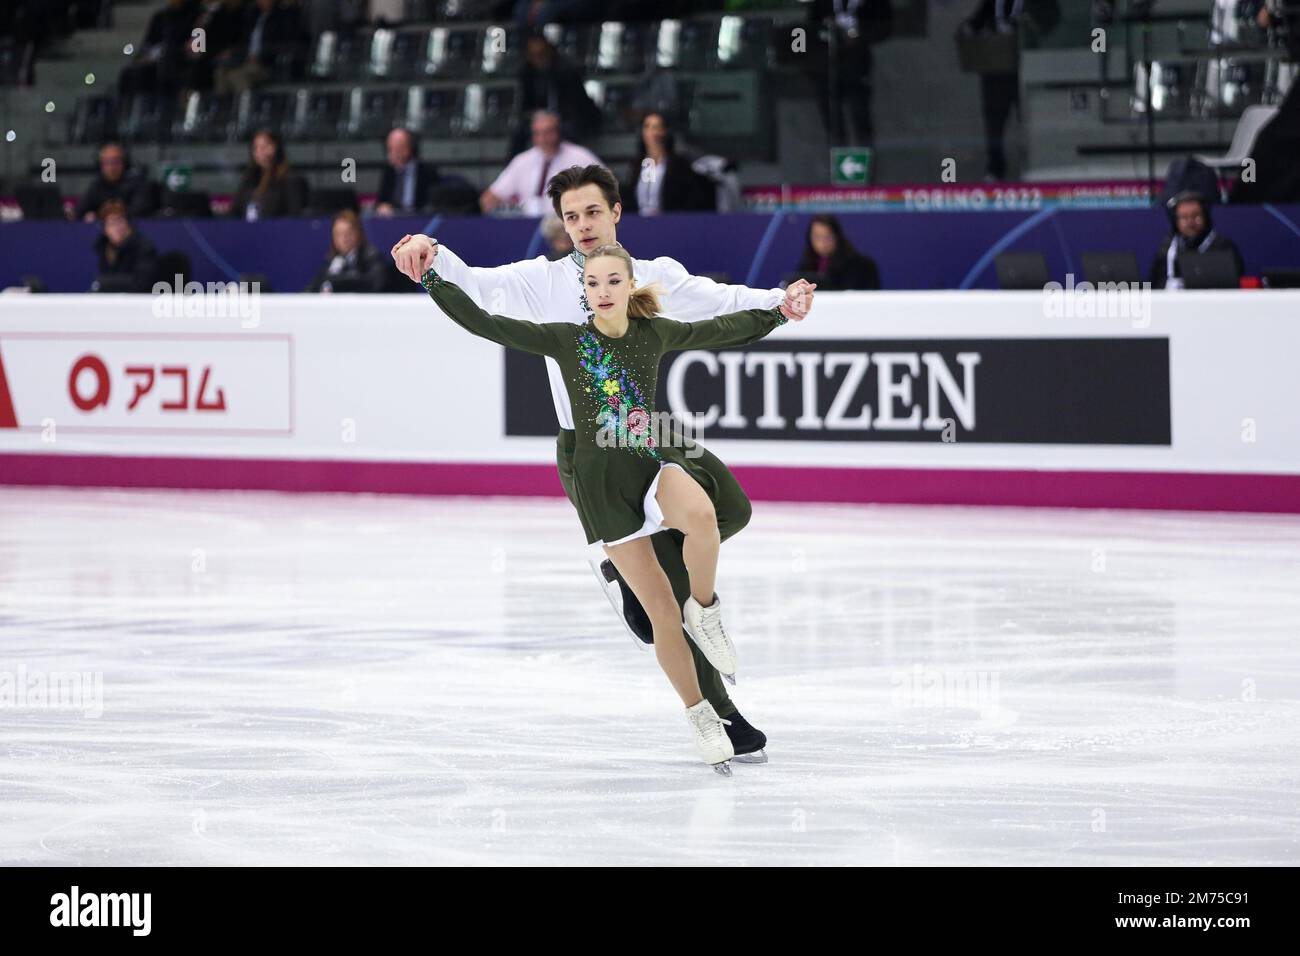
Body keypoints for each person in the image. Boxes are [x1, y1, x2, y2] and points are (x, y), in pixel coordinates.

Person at [391, 164, 817, 764]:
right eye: (571, 217)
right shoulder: (542, 283)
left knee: (731, 510)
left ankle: (652, 578)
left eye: (593, 212)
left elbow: (720, 307)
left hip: (652, 433)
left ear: (617, 211)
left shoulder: (656, 277)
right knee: (663, 597)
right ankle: (720, 711)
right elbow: (479, 291)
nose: (583, 226)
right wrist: (430, 253)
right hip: (586, 449)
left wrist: (781, 301)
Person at [480, 111, 601, 216]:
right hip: (526, 227)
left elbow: (607, 191)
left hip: (568, 227)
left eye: (548, 132)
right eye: (537, 133)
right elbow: (489, 199)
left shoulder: (581, 157)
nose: (543, 139)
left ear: (559, 132)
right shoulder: (522, 161)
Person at [620, 112, 716, 216]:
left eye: (656, 127)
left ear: (664, 131)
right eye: (647, 127)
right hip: (640, 224)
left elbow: (688, 199)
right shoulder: (637, 165)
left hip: (669, 224)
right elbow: (630, 198)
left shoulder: (678, 164)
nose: (653, 133)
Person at [1149, 191, 1245, 290]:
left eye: (1195, 216)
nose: (1190, 222)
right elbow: (1155, 286)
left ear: (1205, 217)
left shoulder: (1223, 247)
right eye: (1184, 217)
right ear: (1176, 221)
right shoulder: (1166, 249)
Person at [229, 128, 307, 220]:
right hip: (248, 231)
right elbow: (235, 211)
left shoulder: (291, 179)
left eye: (266, 146)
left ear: (277, 147)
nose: (260, 151)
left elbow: (294, 215)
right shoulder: (249, 178)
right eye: (256, 147)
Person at [73, 141, 160, 222]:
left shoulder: (139, 183)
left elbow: (139, 212)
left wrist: (103, 216)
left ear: (125, 163)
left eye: (115, 162)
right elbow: (79, 212)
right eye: (106, 162)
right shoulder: (96, 186)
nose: (111, 167)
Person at [307, 210, 387, 292]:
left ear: (359, 233)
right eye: (339, 233)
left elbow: (375, 283)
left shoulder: (371, 256)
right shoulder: (330, 261)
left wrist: (336, 280)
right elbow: (314, 287)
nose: (344, 238)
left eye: (348, 233)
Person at [796, 214, 881, 290]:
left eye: (828, 237)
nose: (822, 243)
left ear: (837, 237)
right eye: (817, 237)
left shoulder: (859, 266)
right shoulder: (806, 266)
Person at [92, 200, 159, 292]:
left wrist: (104, 282)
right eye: (112, 223)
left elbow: (142, 282)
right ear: (104, 228)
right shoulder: (104, 247)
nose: (118, 227)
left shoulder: (144, 247)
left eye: (121, 222)